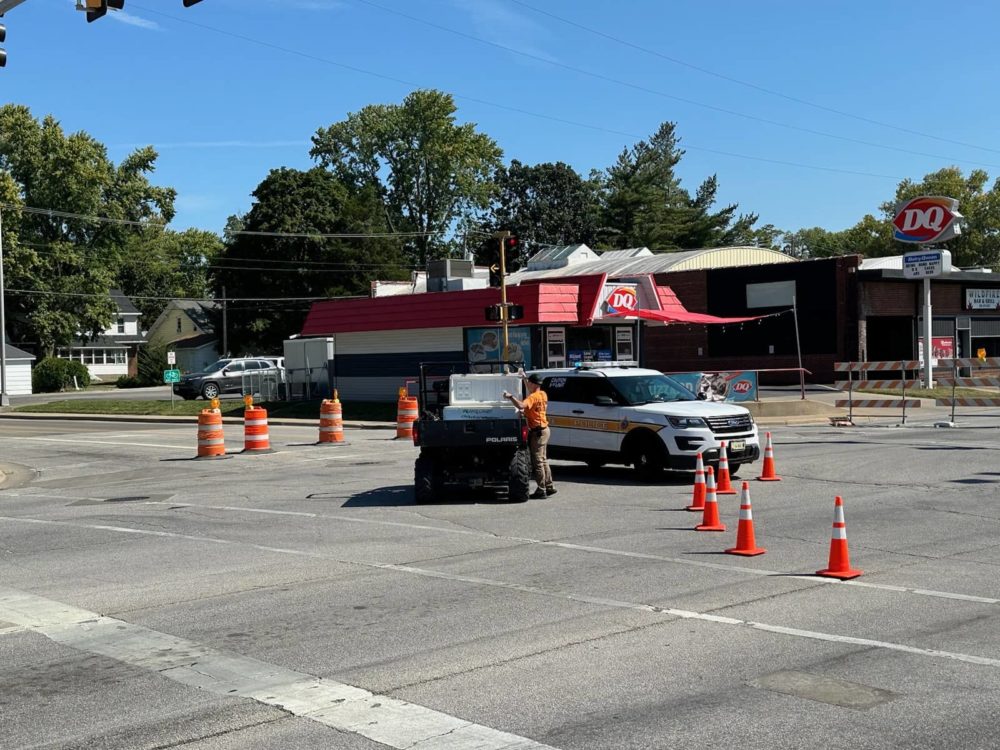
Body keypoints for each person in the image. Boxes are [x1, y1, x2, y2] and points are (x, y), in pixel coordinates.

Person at [502, 373, 555, 499]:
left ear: (533, 384)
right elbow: (530, 396)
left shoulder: (533, 397)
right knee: (543, 459)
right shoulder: (542, 394)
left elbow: (521, 405)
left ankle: (541, 490)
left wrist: (510, 397)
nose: (527, 385)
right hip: (545, 430)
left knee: (538, 462)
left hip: (538, 433)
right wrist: (525, 378)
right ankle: (549, 486)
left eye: (529, 383)